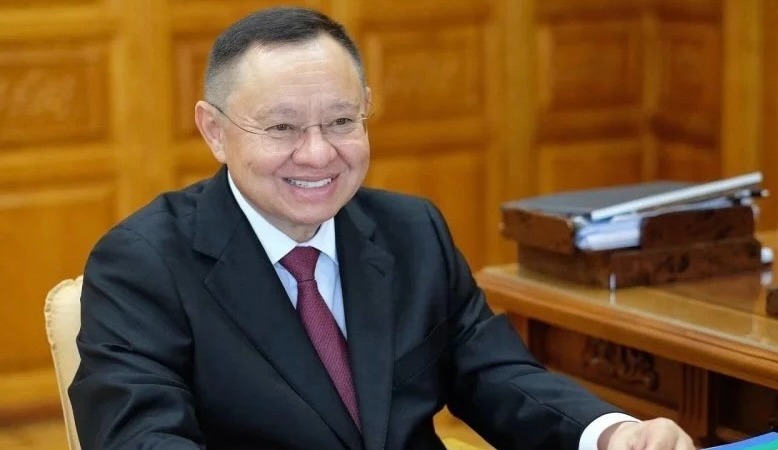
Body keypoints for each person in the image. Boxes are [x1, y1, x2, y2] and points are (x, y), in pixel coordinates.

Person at [69, 6, 695, 450]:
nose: (318, 154)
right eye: (282, 128)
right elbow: (139, 436)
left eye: (342, 121)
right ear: (214, 130)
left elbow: (493, 374)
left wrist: (611, 434)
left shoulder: (411, 231)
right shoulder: (143, 263)